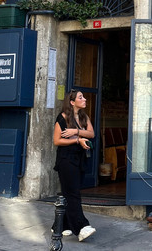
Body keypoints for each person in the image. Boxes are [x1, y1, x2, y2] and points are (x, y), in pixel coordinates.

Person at [52, 90, 96, 242]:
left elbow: (91, 134)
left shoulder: (84, 117)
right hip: (66, 159)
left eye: (83, 97)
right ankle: (81, 226)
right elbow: (57, 141)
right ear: (72, 102)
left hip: (79, 159)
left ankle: (61, 225)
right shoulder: (63, 118)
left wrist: (76, 131)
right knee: (73, 193)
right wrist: (77, 140)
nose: (84, 99)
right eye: (80, 97)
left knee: (69, 192)